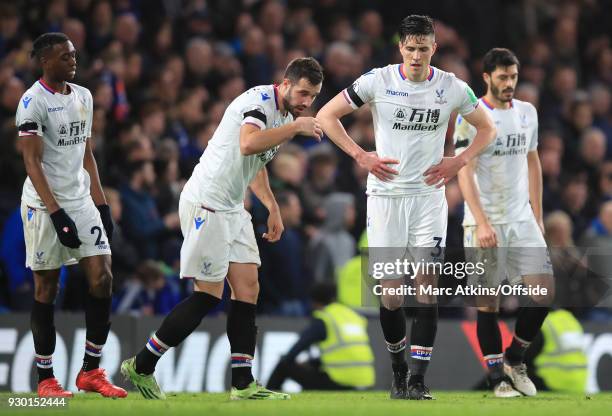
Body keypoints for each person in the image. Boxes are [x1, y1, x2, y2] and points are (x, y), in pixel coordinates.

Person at [121, 57, 324, 400]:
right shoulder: (258, 103)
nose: (307, 102)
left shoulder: (285, 115)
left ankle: (243, 385)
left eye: (313, 97)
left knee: (248, 288)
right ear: (285, 84)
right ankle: (141, 366)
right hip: (207, 203)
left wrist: (272, 205)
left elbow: (255, 161)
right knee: (208, 295)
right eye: (303, 93)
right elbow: (248, 143)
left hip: (232, 207)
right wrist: (295, 128)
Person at [317, 15, 496, 400]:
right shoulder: (377, 81)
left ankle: (417, 379)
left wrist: (458, 161)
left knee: (426, 287)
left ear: (434, 48)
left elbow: (488, 128)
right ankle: (398, 371)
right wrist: (360, 155)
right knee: (392, 295)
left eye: (423, 48)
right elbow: (325, 116)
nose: (416, 56)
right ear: (401, 48)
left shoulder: (451, 87)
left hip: (429, 199)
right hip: (385, 199)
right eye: (410, 48)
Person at [16, 32, 125, 398]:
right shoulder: (32, 102)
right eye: (65, 56)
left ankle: (90, 372)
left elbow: (86, 153)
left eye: (74, 54)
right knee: (47, 287)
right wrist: (56, 213)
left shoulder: (84, 96)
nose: (73, 61)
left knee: (103, 276)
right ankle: (45, 378)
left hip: (79, 200)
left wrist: (101, 202)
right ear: (45, 61)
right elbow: (32, 163)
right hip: (43, 204)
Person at [454, 48, 555, 398]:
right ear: (487, 77)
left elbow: (534, 163)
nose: (509, 83)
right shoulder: (471, 116)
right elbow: (463, 171)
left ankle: (515, 358)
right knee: (488, 302)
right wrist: (481, 222)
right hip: (485, 222)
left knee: (544, 292)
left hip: (522, 219)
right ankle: (496, 378)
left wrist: (537, 216)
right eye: (502, 77)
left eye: (513, 76)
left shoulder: (528, 113)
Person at [267, 283, 375, 391]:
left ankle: (269, 393)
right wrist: (313, 363)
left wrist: (290, 360)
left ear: (314, 302)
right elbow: (344, 353)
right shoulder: (353, 316)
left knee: (283, 365)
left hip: (339, 382)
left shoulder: (325, 318)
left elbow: (295, 350)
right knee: (313, 365)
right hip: (365, 382)